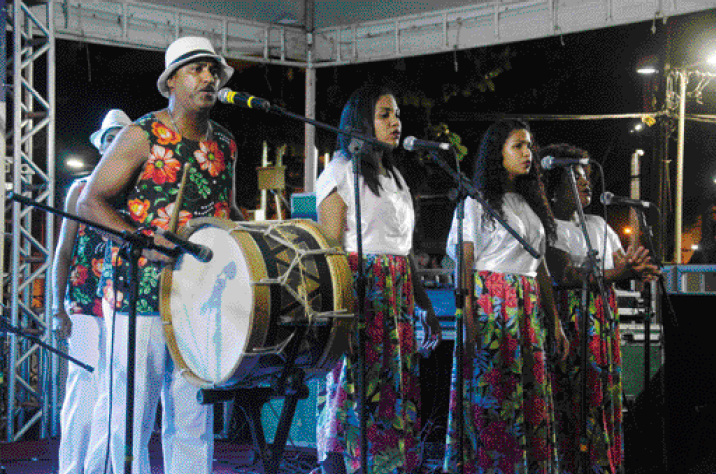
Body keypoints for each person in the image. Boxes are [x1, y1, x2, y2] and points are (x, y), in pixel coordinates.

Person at [77, 36, 239, 474]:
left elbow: (229, 211)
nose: (208, 77)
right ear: (170, 82)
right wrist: (144, 239)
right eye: (196, 69)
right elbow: (90, 202)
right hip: (138, 291)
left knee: (193, 416)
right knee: (131, 412)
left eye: (212, 69)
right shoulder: (141, 134)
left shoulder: (225, 143)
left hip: (200, 295)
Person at [315, 84, 442, 474]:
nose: (395, 122)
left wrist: (425, 306)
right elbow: (331, 248)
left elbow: (403, 251)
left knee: (390, 389)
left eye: (397, 113)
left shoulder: (396, 177)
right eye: (384, 114)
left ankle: (386, 466)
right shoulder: (338, 171)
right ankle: (339, 466)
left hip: (397, 292)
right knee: (351, 390)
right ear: (359, 123)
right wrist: (341, 313)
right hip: (359, 291)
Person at [443, 119, 568, 474]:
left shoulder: (531, 203)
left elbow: (539, 266)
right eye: (518, 146)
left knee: (528, 399)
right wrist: (466, 321)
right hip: (491, 308)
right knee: (494, 397)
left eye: (529, 146)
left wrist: (555, 322)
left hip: (527, 309)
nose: (528, 153)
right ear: (497, 154)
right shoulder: (476, 203)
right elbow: (463, 269)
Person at [541, 143, 659, 474]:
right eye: (576, 177)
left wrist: (640, 270)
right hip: (569, 320)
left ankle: (602, 464)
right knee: (574, 400)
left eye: (587, 176)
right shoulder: (546, 226)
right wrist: (621, 272)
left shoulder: (597, 225)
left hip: (601, 322)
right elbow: (565, 275)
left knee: (602, 397)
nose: (586, 183)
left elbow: (621, 266)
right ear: (552, 186)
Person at [53, 108, 131, 474]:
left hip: (120, 299)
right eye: (109, 139)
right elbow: (64, 250)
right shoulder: (80, 189)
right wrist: (58, 307)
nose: (114, 144)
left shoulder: (137, 192)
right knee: (82, 384)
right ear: (101, 146)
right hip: (83, 301)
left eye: (121, 138)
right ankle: (71, 469)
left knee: (112, 389)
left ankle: (98, 467)